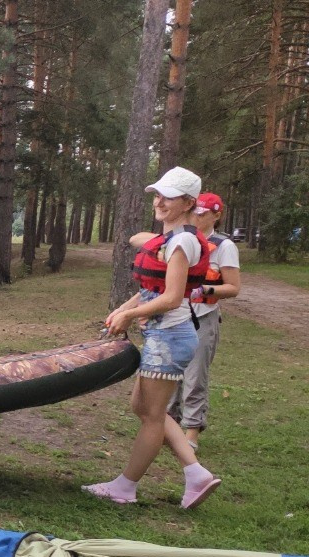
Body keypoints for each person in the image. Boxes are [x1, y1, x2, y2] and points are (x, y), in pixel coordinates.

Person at [82, 166, 222, 510]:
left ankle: (125, 487)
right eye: (157, 195)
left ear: (188, 202)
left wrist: (130, 315)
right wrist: (122, 309)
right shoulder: (170, 240)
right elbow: (151, 290)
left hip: (171, 336)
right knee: (143, 408)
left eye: (167, 197)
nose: (158, 202)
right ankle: (195, 473)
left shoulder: (183, 242)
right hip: (163, 334)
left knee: (152, 415)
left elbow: (173, 297)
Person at [169, 192, 241, 449]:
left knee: (195, 376)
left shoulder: (223, 246)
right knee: (169, 372)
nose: (197, 218)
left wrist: (206, 290)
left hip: (203, 317)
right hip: (175, 315)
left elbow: (233, 287)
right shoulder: (181, 239)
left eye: (203, 214)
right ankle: (168, 426)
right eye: (194, 213)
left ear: (216, 215)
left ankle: (191, 433)